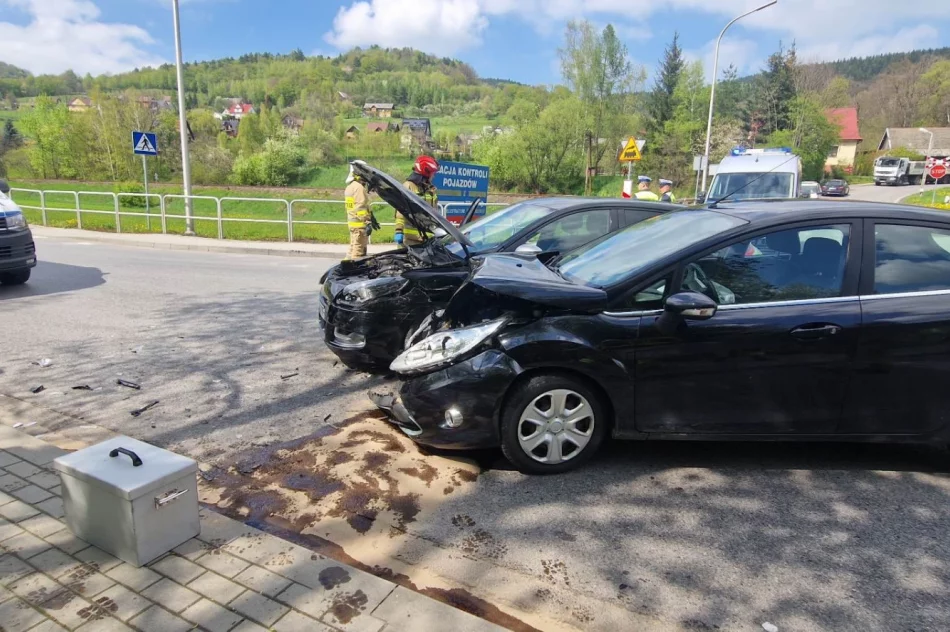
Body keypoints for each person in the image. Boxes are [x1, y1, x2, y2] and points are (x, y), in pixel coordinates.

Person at [396, 155, 440, 246]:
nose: (434, 176)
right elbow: (400, 211)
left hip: (428, 238)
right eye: (432, 173)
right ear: (426, 172)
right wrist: (399, 230)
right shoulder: (408, 186)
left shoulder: (431, 190)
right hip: (410, 239)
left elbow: (435, 213)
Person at [344, 162, 377, 260]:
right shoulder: (359, 188)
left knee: (352, 249)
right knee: (358, 252)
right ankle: (352, 271)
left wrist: (371, 216)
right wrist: (367, 222)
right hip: (359, 226)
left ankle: (344, 268)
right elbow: (360, 208)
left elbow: (355, 207)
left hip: (353, 223)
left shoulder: (350, 186)